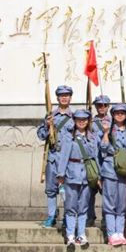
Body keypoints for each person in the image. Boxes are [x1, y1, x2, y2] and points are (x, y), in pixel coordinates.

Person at [56, 109, 101, 246]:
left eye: (84, 119)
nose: (81, 122)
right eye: (78, 119)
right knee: (70, 206)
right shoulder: (68, 136)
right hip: (72, 174)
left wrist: (99, 176)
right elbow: (63, 157)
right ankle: (70, 234)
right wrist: (61, 175)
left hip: (87, 176)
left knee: (83, 207)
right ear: (74, 120)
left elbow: (96, 158)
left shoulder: (92, 138)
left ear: (88, 121)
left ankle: (81, 234)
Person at [36, 85, 75, 228]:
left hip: (68, 159)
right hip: (53, 157)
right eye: (61, 95)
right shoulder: (50, 115)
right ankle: (51, 216)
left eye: (67, 95)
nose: (64, 98)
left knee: (67, 189)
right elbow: (41, 135)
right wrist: (48, 126)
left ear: (70, 98)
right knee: (51, 190)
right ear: (57, 98)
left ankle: (66, 217)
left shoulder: (75, 117)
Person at [100, 103, 126, 246]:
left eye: (122, 113)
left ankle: (120, 232)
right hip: (110, 168)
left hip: (124, 169)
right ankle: (111, 234)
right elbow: (103, 148)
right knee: (109, 203)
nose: (120, 115)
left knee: (121, 203)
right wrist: (105, 133)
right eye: (117, 113)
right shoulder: (108, 128)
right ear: (113, 115)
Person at [87, 94, 111, 227]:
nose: (102, 108)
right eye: (99, 105)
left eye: (104, 105)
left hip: (107, 160)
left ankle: (106, 218)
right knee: (90, 190)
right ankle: (90, 216)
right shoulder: (90, 121)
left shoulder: (113, 122)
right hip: (92, 159)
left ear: (108, 107)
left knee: (106, 192)